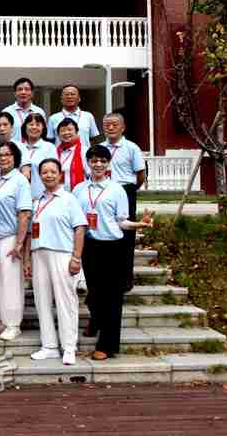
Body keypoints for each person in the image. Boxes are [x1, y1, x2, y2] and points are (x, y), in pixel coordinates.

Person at [72, 145, 153, 361]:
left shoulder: (117, 190)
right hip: (88, 246)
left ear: (108, 164)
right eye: (94, 160)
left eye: (102, 161)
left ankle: (107, 345)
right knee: (93, 293)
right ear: (88, 163)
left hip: (112, 247)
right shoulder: (79, 189)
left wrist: (139, 224)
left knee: (112, 297)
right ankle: (96, 320)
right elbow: (74, 220)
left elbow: (122, 222)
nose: (98, 164)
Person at [29, 158, 88, 366]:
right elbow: (30, 232)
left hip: (62, 254)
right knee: (42, 301)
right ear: (40, 176)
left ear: (60, 174)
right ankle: (49, 346)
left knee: (65, 301)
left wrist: (76, 257)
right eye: (44, 172)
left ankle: (69, 347)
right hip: (39, 254)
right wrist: (27, 259)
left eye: (53, 171)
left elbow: (80, 228)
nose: (49, 175)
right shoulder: (37, 201)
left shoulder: (68, 199)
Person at [0, 142, 32, 341]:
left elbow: (24, 213)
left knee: (11, 281)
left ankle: (13, 324)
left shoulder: (20, 180)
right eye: (0, 155)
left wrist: (19, 243)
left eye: (8, 154)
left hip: (10, 237)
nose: (3, 158)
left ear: (15, 158)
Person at [100, 113, 146, 293]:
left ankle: (125, 279)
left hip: (125, 191)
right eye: (107, 125)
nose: (111, 128)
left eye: (114, 124)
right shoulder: (100, 148)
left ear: (123, 127)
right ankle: (107, 276)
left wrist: (130, 190)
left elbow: (140, 174)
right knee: (106, 232)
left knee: (126, 235)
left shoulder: (131, 148)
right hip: (104, 193)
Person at [47, 84, 100, 150]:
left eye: (73, 94)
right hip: (61, 155)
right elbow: (50, 141)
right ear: (61, 99)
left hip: (84, 155)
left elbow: (94, 139)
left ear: (79, 98)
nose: (69, 96)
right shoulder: (53, 118)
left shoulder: (88, 116)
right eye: (66, 94)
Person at [21, 113, 57, 199]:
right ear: (25, 127)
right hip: (20, 196)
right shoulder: (19, 147)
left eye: (38, 125)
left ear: (43, 128)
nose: (34, 127)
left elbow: (54, 173)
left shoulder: (49, 147)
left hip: (42, 197)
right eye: (31, 124)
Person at [3, 77, 46, 143]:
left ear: (32, 93)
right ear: (15, 93)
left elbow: (43, 135)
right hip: (13, 148)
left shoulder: (40, 112)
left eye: (27, 89)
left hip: (34, 148)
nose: (23, 92)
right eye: (20, 89)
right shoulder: (6, 112)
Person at [56, 117, 89, 192]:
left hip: (79, 193)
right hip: (59, 194)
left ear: (76, 132)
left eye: (69, 130)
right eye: (62, 130)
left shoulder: (84, 151)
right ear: (58, 134)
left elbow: (90, 175)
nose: (66, 133)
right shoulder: (54, 152)